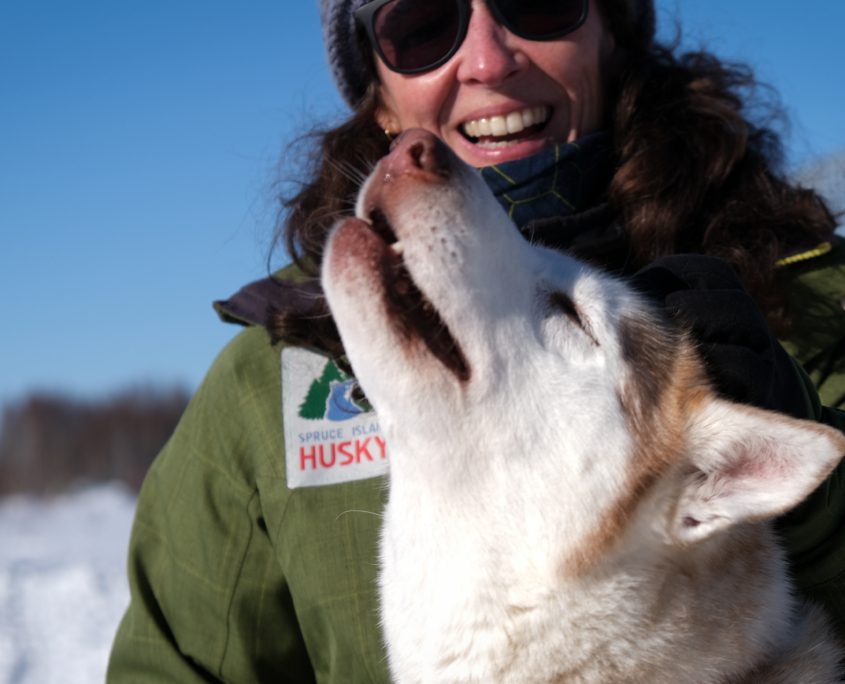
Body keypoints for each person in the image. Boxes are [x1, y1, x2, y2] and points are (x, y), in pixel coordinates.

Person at [107, 0, 845, 681]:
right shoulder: (267, 383)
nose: (488, 61)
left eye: (539, 1)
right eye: (422, 23)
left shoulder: (817, 307)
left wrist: (817, 513)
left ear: (609, 33)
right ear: (379, 91)